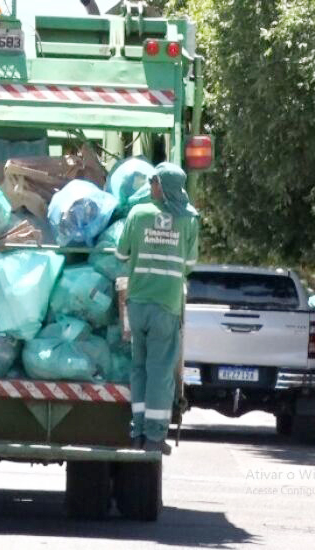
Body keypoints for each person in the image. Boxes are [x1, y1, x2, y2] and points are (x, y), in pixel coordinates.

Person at [115, 161, 199, 453]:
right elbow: (189, 264)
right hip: (166, 305)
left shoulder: (137, 214)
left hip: (137, 303)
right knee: (160, 371)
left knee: (138, 366)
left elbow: (121, 253)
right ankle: (154, 436)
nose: (149, 186)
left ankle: (137, 430)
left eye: (154, 182)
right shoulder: (189, 220)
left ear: (162, 187)